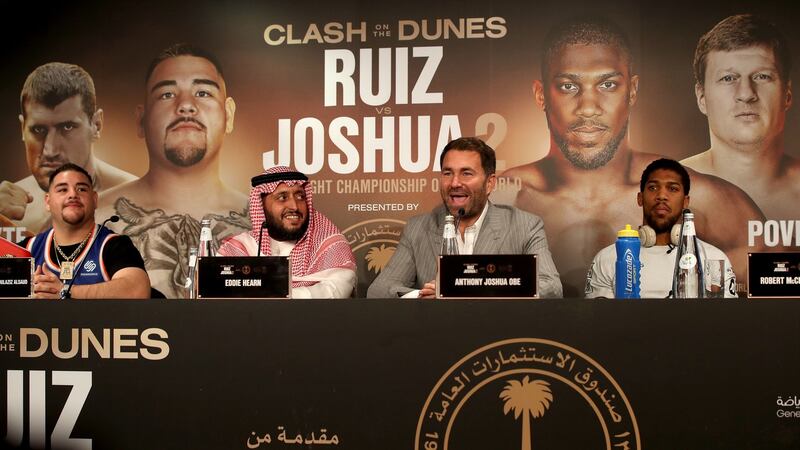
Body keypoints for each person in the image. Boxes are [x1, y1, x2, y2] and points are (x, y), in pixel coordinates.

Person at [500, 18, 764, 296]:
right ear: (541, 95)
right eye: (568, 86)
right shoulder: (504, 201)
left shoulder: (707, 199)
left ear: (633, 90)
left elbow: (766, 305)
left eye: (607, 85)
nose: (588, 108)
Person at [96, 43, 249, 298]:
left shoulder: (262, 223)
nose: (186, 105)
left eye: (203, 93)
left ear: (229, 114)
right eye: (167, 94)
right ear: (141, 120)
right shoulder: (94, 218)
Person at [367, 137, 562, 299]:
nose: (454, 183)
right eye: (447, 173)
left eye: (466, 173)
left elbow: (551, 288)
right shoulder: (418, 227)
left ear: (490, 184)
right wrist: (422, 295)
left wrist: (466, 289)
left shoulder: (524, 225)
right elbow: (379, 291)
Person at [681, 14, 799, 220]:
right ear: (701, 97)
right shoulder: (661, 195)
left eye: (762, 76)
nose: (746, 94)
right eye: (728, 78)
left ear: (787, 95)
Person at [1, 63, 136, 235]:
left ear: (96, 125)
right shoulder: (6, 211)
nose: (50, 150)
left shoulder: (141, 204)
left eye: (67, 127)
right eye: (38, 130)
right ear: (23, 129)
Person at [585, 159, 737, 298]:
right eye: (653, 187)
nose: (662, 195)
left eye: (672, 189)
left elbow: (724, 320)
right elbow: (602, 321)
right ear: (640, 198)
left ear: (686, 202)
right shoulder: (608, 258)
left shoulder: (714, 259)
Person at [216, 166, 357, 298]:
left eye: (300, 196)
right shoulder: (239, 248)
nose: (294, 206)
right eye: (282, 197)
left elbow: (336, 290)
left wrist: (267, 294)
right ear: (261, 205)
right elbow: (217, 289)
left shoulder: (330, 245)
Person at [18, 163, 150, 299]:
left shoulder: (114, 245)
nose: (73, 194)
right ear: (47, 201)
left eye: (81, 189)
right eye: (63, 190)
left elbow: (137, 291)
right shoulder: (27, 248)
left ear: (94, 200)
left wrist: (65, 291)